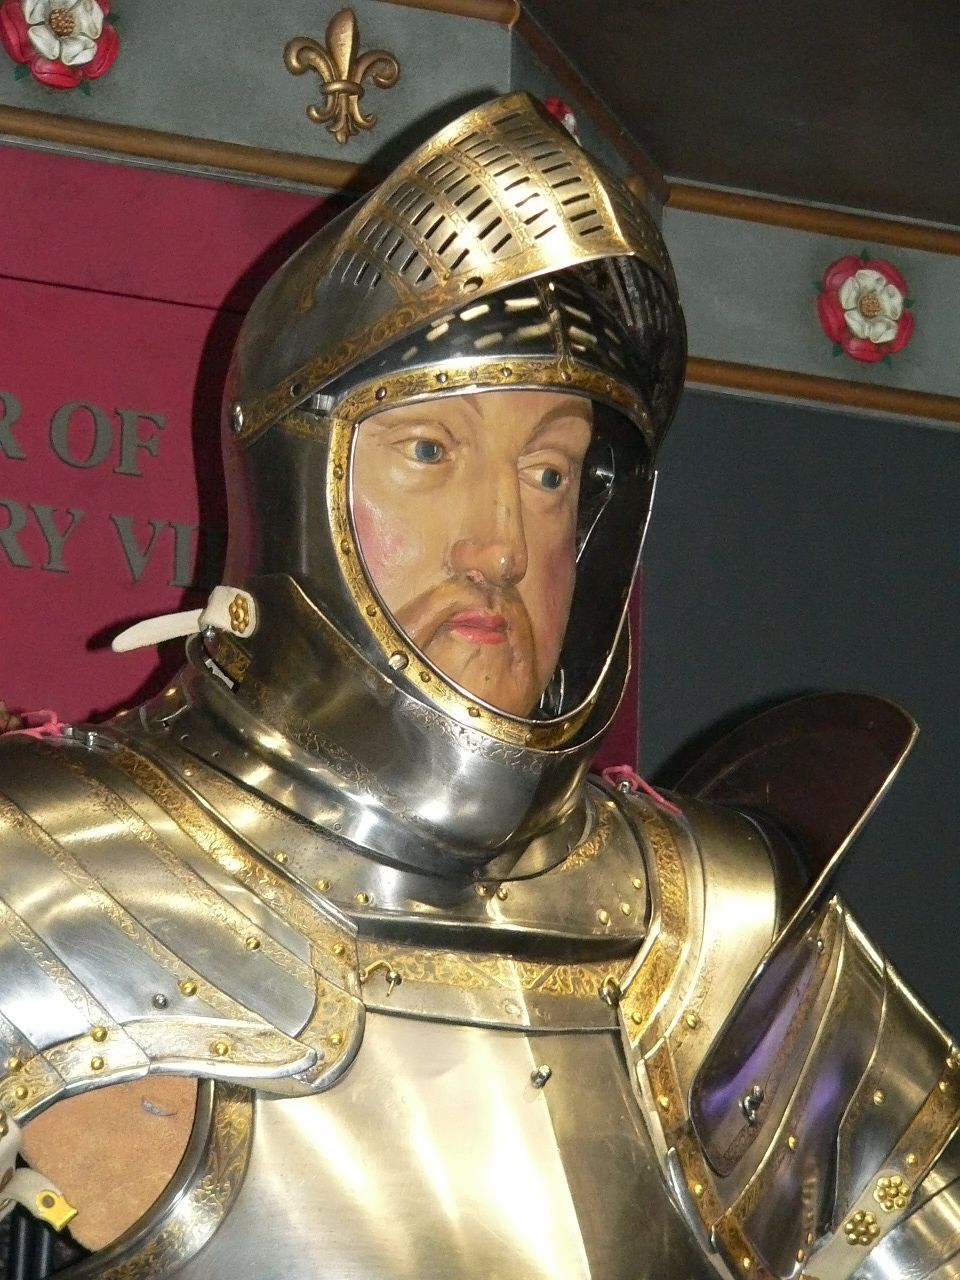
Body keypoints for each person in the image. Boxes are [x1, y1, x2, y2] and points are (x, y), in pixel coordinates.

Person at [0, 92, 956, 1280]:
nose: (501, 542)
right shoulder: (43, 868)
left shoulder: (734, 931)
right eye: (430, 450)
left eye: (550, 472)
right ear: (300, 476)